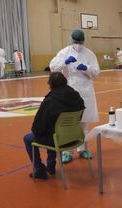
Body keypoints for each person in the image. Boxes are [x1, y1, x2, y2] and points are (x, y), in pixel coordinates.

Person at [49, 29, 100, 163]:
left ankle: (82, 149)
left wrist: (87, 68)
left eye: (79, 41)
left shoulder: (89, 54)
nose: (77, 44)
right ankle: (67, 151)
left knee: (83, 122)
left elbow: (96, 72)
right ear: (71, 39)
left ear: (83, 41)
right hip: (69, 89)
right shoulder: (64, 52)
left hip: (85, 91)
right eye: (75, 41)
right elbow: (53, 67)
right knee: (68, 122)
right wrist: (65, 62)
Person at [23, 72, 85, 179]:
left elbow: (38, 127)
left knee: (29, 138)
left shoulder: (50, 101)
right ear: (65, 81)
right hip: (75, 137)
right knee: (53, 131)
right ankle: (51, 166)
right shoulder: (76, 96)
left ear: (50, 84)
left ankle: (39, 170)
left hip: (58, 139)